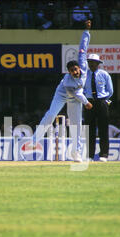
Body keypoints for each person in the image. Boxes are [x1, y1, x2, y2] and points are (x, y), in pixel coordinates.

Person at [31, 20, 93, 162]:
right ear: (69, 72)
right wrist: (86, 102)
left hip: (76, 98)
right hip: (63, 94)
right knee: (51, 115)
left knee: (77, 124)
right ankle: (34, 141)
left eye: (75, 70)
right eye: (71, 71)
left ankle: (76, 153)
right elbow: (76, 94)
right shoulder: (67, 81)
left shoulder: (82, 64)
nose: (74, 72)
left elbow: (83, 47)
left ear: (79, 67)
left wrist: (86, 31)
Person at [83, 53, 113, 161]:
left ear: (98, 64)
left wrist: (105, 102)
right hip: (88, 102)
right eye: (90, 62)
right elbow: (81, 90)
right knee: (89, 130)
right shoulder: (84, 75)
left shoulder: (104, 74)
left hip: (101, 102)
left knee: (103, 129)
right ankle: (89, 156)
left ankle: (104, 155)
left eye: (94, 62)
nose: (91, 64)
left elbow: (110, 91)